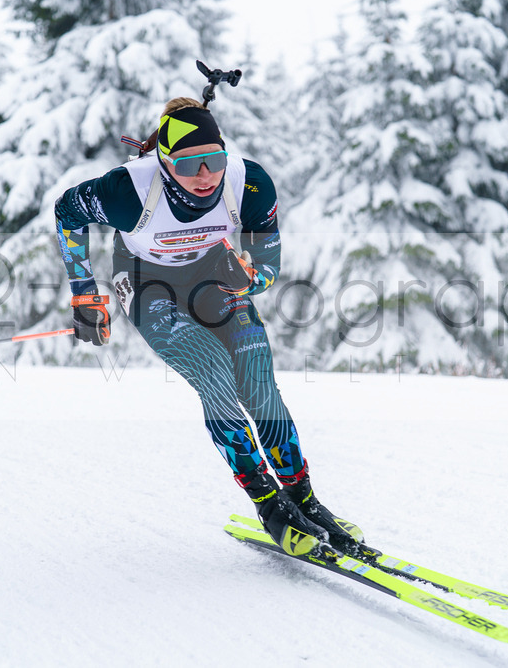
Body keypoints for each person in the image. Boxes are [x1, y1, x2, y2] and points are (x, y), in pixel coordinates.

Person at [54, 98, 368, 558]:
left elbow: (267, 262)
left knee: (259, 382)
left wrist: (253, 277)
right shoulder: (127, 191)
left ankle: (305, 500)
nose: (205, 176)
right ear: (163, 163)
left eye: (214, 160)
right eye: (189, 165)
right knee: (214, 372)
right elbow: (67, 212)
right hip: (148, 283)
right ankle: (269, 504)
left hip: (214, 274)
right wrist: (83, 291)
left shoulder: (249, 183)